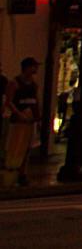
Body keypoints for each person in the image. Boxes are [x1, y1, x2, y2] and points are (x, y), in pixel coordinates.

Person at [4, 58, 40, 186]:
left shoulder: (33, 84)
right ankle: (12, 174)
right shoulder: (15, 83)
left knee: (27, 148)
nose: (35, 69)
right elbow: (9, 101)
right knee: (15, 147)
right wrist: (19, 114)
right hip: (19, 119)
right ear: (26, 67)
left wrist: (37, 115)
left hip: (30, 119)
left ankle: (22, 173)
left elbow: (35, 100)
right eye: (33, 66)